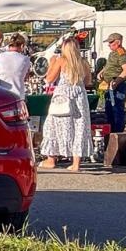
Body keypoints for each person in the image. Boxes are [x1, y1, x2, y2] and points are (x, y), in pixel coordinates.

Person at [40, 37, 92, 172]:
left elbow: (49, 79)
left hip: (63, 96)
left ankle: (51, 159)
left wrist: (51, 63)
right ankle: (76, 164)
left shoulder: (61, 60)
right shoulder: (83, 63)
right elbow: (88, 82)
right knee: (79, 127)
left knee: (52, 126)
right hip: (79, 96)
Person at [96, 32, 126, 133]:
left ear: (118, 42)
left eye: (111, 43)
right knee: (109, 109)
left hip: (119, 86)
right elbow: (110, 65)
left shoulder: (121, 54)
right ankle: (111, 131)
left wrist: (116, 82)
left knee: (117, 109)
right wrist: (102, 72)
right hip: (111, 85)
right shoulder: (113, 53)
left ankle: (117, 132)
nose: (109, 45)